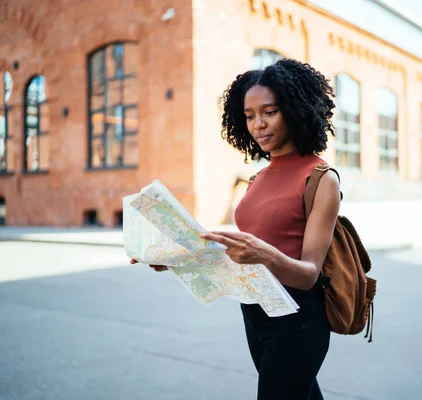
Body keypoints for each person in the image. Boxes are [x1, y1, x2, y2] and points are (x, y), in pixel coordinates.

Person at [131, 58, 340, 399]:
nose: (258, 124)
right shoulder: (258, 179)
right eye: (249, 115)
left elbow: (309, 275)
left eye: (269, 111)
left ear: (294, 109)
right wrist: (177, 258)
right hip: (256, 313)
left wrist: (264, 254)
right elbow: (237, 258)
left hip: (299, 320)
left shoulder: (321, 178)